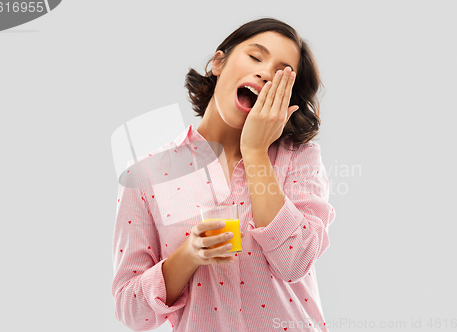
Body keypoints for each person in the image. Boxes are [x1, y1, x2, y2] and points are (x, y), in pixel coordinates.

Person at [112, 17, 336, 332]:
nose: (263, 73)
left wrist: (256, 152)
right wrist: (188, 256)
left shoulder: (299, 159)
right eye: (256, 57)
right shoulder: (146, 175)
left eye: (281, 74)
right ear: (218, 62)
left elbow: (295, 261)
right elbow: (130, 311)